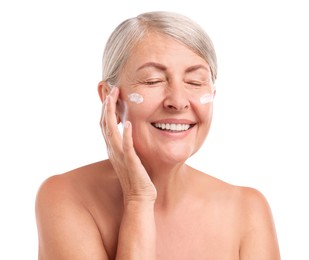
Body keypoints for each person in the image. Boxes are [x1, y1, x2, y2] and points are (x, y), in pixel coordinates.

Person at [35, 11, 280, 259]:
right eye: (153, 81)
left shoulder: (248, 210)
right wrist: (138, 200)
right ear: (111, 99)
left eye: (195, 82)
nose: (178, 101)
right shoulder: (65, 196)